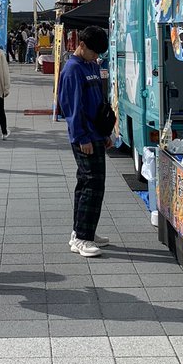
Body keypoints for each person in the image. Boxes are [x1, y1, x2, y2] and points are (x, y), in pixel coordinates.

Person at [57, 25, 113, 258]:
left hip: (96, 133)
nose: (96, 57)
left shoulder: (90, 64)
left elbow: (97, 102)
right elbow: (71, 107)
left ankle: (84, 231)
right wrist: (81, 137)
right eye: (94, 52)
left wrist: (105, 132)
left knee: (89, 185)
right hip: (85, 137)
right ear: (81, 45)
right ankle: (81, 237)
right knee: (91, 185)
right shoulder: (72, 70)